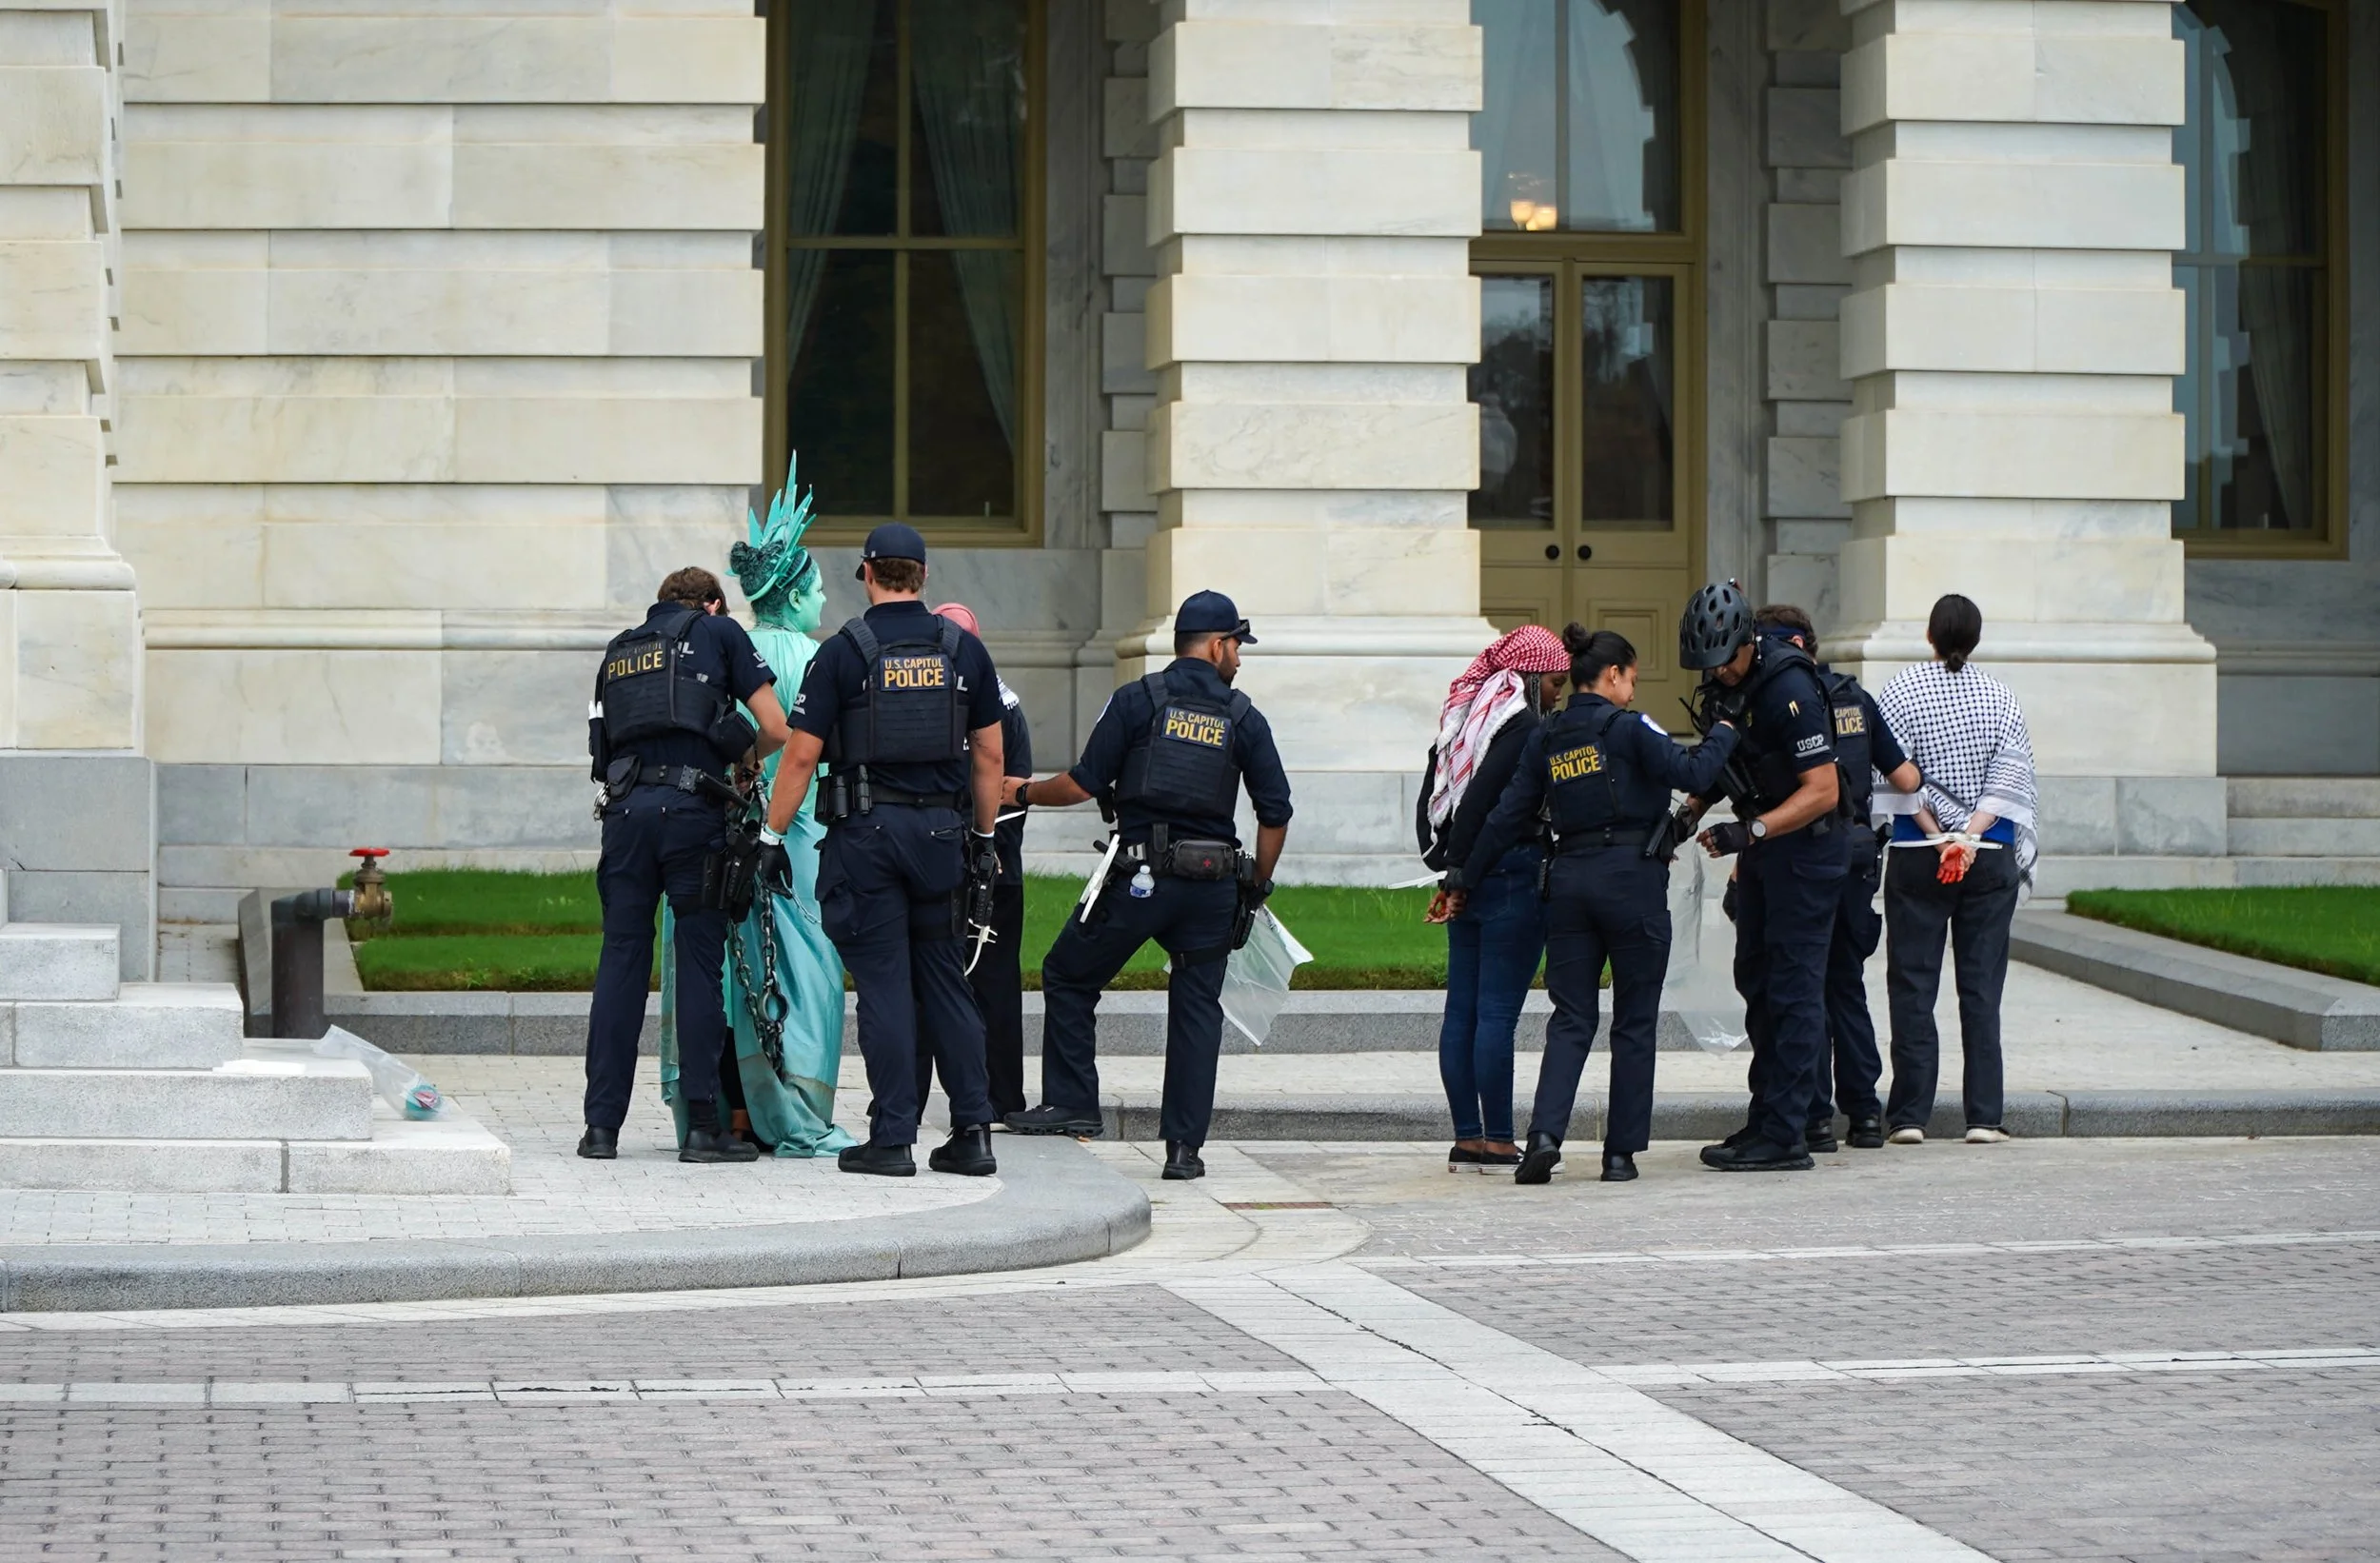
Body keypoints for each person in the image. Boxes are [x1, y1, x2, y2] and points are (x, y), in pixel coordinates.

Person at [999, 591, 1293, 1181]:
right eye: (1237, 646)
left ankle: (1072, 1103)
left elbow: (1083, 783)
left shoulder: (1137, 699)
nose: (1239, 658)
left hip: (1140, 878)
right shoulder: (1243, 717)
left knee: (1068, 974)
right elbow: (1276, 813)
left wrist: (1022, 791)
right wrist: (1256, 886)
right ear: (1216, 646)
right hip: (1212, 887)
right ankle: (1184, 1150)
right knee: (1197, 1010)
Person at [753, 524, 1007, 1178]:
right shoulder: (963, 651)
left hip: (867, 838)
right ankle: (973, 1132)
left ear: (867, 573)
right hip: (941, 837)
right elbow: (990, 755)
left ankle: (893, 1139)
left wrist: (771, 836)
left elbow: (800, 756)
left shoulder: (844, 651)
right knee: (946, 981)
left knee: (886, 986)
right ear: (923, 576)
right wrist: (983, 839)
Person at [1447, 626, 1739, 1184]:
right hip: (1632, 882)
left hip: (1571, 882)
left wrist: (1464, 875)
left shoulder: (1548, 735)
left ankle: (1544, 1136)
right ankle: (1619, 1155)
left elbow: (1507, 815)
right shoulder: (1630, 728)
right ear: (1612, 675)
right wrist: (1724, 731)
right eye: (1631, 677)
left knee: (1571, 1018)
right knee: (1634, 1021)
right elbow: (1694, 772)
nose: (1633, 688)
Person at [654, 464, 856, 1159]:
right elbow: (815, 757)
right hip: (794, 840)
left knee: (717, 977)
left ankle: (720, 1112)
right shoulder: (817, 658)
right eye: (817, 587)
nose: (823, 597)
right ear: (794, 594)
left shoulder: (723, 648)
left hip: (710, 832)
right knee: (802, 982)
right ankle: (794, 1110)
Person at [580, 565, 788, 1164]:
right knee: (699, 965)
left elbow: (601, 751)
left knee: (620, 962)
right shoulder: (719, 632)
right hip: (692, 814)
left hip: (624, 816)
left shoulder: (619, 650)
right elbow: (776, 726)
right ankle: (701, 1128)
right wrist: (744, 760)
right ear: (713, 604)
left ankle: (600, 1130)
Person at [1678, 580, 1849, 1173]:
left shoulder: (1789, 688)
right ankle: (1769, 1116)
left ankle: (1788, 1134)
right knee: (1756, 979)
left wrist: (1748, 832)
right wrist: (1686, 816)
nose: (1718, 673)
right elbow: (1724, 762)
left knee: (1793, 990)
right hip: (1767, 850)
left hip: (1806, 852)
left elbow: (1823, 790)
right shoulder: (1728, 685)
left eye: (1725, 660)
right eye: (1708, 665)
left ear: (1748, 641)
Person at [1741, 604, 1919, 1154]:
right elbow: (1906, 778)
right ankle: (1864, 1114)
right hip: (1856, 857)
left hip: (1803, 854)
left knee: (1802, 987)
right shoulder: (1854, 698)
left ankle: (1815, 1118)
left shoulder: (1777, 698)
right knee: (1845, 984)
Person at [1875, 592, 2037, 1146]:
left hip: (1917, 853)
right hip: (1988, 855)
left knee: (1912, 984)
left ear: (1929, 635)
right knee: (1982, 988)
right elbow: (2010, 778)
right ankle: (1984, 1117)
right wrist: (1969, 836)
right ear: (1976, 638)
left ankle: (1909, 1116)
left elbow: (1892, 772)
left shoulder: (1900, 691)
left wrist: (1938, 834)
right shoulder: (2000, 696)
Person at [1420, 624, 1572, 1173]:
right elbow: (1493, 808)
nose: (1557, 694)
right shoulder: (1524, 726)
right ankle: (1501, 1141)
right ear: (1530, 677)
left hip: (1469, 874)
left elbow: (1436, 795)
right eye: (1553, 682)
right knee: (1496, 1015)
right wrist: (1462, 876)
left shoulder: (1467, 718)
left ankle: (1468, 1137)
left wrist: (1449, 871)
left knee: (1461, 1010)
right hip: (1508, 874)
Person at [929, 601, 1032, 1119]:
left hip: (992, 865)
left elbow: (1015, 789)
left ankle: (1001, 1098)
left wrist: (983, 841)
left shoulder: (1003, 707)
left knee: (994, 985)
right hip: (942, 855)